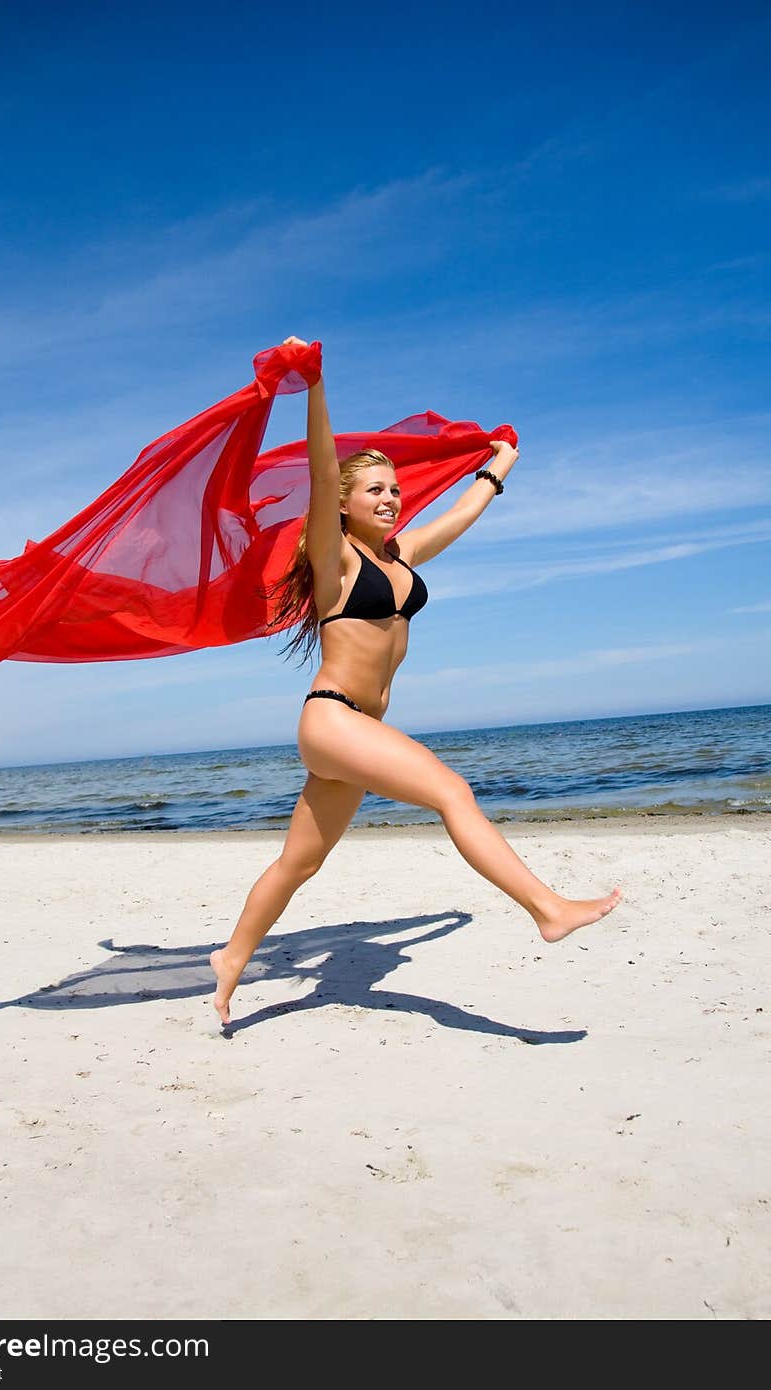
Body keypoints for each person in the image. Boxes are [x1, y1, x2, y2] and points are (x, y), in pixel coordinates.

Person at [210, 338, 622, 1024]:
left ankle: (229, 960)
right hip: (333, 717)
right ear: (342, 503)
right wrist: (313, 386)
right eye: (376, 490)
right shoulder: (333, 558)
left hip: (359, 731)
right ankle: (548, 909)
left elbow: (455, 520)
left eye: (396, 490)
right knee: (451, 791)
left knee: (298, 865)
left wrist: (498, 468)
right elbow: (319, 469)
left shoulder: (398, 558)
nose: (392, 499)